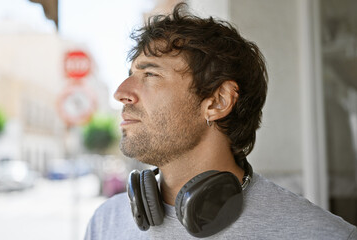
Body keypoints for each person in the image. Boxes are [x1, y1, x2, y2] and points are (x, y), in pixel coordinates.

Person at [85, 3, 356, 239]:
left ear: (217, 102)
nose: (120, 94)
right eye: (131, 74)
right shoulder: (106, 223)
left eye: (151, 75)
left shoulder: (323, 235)